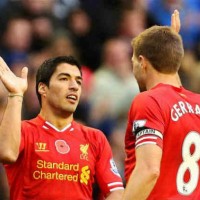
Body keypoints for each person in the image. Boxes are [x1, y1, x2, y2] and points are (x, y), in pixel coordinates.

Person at [0, 55, 124, 199]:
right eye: (64, 79)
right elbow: (6, 153)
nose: (74, 86)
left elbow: (116, 192)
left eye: (78, 81)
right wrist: (16, 94)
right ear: (43, 88)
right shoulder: (23, 131)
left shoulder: (95, 138)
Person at [123, 10, 200, 199]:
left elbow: (149, 170)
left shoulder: (149, 101)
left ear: (142, 62)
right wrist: (169, 45)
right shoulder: (197, 103)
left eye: (133, 61)